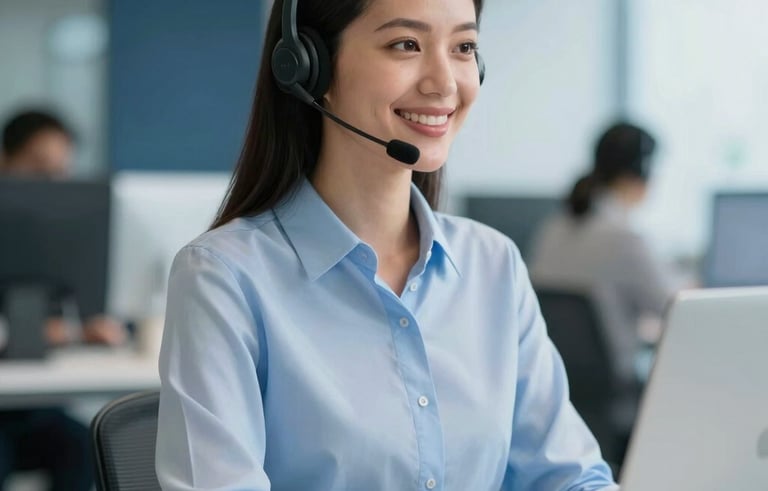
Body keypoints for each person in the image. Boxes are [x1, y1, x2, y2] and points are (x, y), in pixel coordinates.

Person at [156, 0, 619, 489]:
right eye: (406, 44)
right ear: (309, 66)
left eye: (464, 47)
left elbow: (569, 475)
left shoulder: (493, 264)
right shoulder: (224, 279)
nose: (444, 83)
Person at [0, 109, 125, 491]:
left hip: (34, 405)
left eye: (60, 170)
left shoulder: (59, 234)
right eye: (38, 167)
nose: (51, 183)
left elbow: (66, 312)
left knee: (84, 447)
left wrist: (83, 329)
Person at [529, 122, 680, 387]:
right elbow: (677, 309)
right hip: (614, 392)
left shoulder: (552, 228)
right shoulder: (625, 240)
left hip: (558, 387)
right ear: (641, 174)